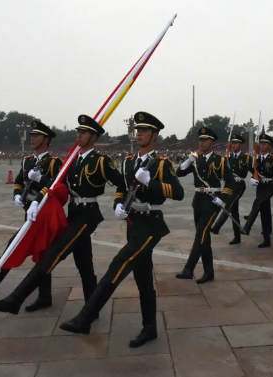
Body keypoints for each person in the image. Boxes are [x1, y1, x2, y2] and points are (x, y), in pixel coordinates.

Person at [58, 112, 184, 348]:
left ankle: (85, 317)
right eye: (138, 130)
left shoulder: (161, 163)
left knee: (119, 264)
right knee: (143, 277)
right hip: (133, 223)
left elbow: (178, 193)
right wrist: (118, 203)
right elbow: (122, 188)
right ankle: (150, 328)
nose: (139, 134)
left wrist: (151, 182)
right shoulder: (128, 162)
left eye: (145, 131)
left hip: (151, 224)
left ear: (155, 136)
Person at [0, 115, 125, 315]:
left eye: (84, 132)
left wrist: (119, 201)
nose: (79, 134)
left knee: (54, 253)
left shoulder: (101, 161)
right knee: (84, 263)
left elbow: (122, 182)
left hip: (88, 215)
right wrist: (36, 194)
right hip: (74, 213)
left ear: (93, 137)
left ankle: (16, 298)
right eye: (78, 131)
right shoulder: (72, 160)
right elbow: (55, 184)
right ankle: (92, 309)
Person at [0, 121, 62, 312]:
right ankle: (44, 296)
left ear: (46, 140)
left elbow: (57, 185)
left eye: (36, 136)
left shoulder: (54, 162)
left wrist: (41, 179)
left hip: (44, 216)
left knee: (13, 247)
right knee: (41, 256)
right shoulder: (27, 161)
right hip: (29, 214)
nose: (32, 138)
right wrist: (16, 194)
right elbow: (18, 181)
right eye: (31, 135)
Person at [175, 127, 236, 284]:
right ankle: (209, 272)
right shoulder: (197, 160)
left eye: (205, 140)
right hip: (198, 201)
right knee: (204, 238)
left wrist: (223, 198)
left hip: (212, 201)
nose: (202, 143)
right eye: (200, 140)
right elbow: (179, 173)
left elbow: (230, 181)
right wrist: (188, 160)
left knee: (200, 235)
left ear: (212, 142)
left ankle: (189, 268)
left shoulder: (220, 160)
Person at [241, 133, 273, 248]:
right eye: (261, 143)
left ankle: (247, 227)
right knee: (264, 212)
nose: (262, 146)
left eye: (265, 144)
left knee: (257, 203)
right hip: (260, 187)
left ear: (269, 146)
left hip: (269, 186)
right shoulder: (254, 159)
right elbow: (253, 172)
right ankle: (267, 239)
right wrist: (253, 179)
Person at [211, 134, 249, 245]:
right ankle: (237, 237)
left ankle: (216, 227)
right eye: (232, 142)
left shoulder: (245, 157)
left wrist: (256, 178)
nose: (233, 145)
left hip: (239, 185)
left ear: (240, 144)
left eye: (236, 143)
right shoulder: (228, 157)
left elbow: (254, 169)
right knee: (234, 211)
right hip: (229, 185)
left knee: (228, 205)